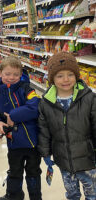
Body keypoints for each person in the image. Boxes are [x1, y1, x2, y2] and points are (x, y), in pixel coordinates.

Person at [0, 56, 42, 200]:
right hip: (13, 143)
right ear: (0, 73)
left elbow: (35, 106)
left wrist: (13, 115)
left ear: (21, 75)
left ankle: (36, 197)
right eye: (7, 74)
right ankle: (13, 195)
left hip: (33, 142)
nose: (11, 77)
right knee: (14, 171)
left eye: (16, 74)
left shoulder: (26, 90)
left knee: (34, 172)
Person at [38, 52, 96, 200]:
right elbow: (44, 130)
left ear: (76, 75)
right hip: (63, 160)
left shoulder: (88, 98)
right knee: (72, 194)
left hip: (88, 160)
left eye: (70, 74)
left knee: (92, 194)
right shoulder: (46, 103)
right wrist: (45, 152)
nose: (66, 79)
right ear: (52, 79)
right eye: (59, 76)